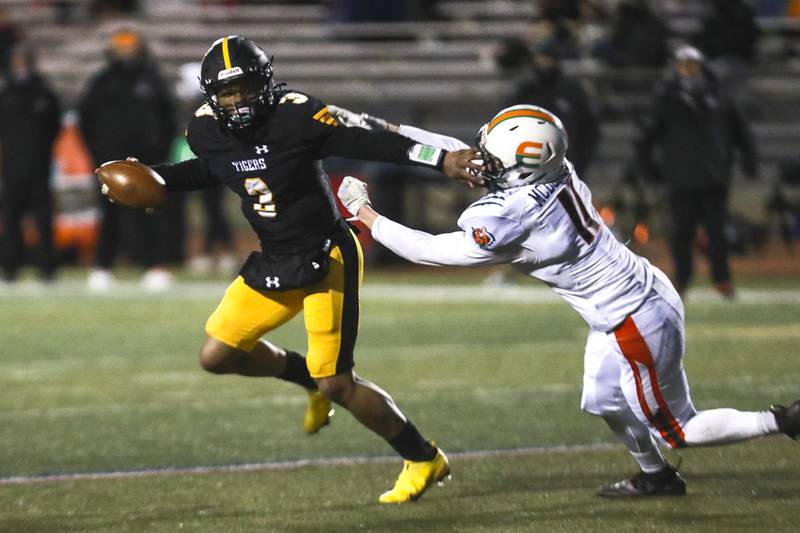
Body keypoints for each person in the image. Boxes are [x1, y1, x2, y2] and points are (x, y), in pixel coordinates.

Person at [337, 104, 800, 498]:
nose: (483, 162)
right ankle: (656, 477)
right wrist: (388, 130)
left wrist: (365, 214)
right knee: (602, 401)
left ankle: (782, 421)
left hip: (634, 318)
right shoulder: (552, 169)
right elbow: (460, 154)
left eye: (494, 159)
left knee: (677, 429)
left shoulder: (513, 214)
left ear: (521, 166)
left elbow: (431, 252)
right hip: (627, 301)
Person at [104, 35, 481, 503]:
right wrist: (157, 176)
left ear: (265, 84)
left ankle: (424, 457)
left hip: (326, 256)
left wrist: (440, 158)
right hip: (274, 257)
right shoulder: (205, 130)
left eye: (244, 89)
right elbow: (212, 170)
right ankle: (306, 381)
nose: (237, 102)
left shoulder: (296, 115)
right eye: (227, 93)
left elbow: (373, 143)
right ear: (210, 97)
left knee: (339, 382)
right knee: (217, 357)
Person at [636, 45, 758, 298]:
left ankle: (722, 279)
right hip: (681, 177)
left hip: (713, 177)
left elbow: (740, 132)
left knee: (717, 233)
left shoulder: (719, 96)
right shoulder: (667, 100)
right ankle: (682, 279)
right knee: (681, 233)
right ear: (677, 68)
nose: (689, 70)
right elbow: (647, 137)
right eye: (684, 65)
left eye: (692, 65)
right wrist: (648, 167)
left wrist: (748, 159)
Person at [78, 28, 178, 291]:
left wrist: (160, 155)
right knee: (108, 214)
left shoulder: (153, 79)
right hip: (110, 162)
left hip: (148, 162)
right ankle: (102, 267)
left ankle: (157, 266)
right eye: (120, 46)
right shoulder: (102, 81)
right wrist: (99, 155)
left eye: (130, 46)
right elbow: (85, 121)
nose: (125, 51)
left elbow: (169, 121)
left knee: (152, 211)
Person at [0, 43, 61, 283]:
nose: (20, 66)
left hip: (39, 165)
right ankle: (10, 267)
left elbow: (54, 127)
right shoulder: (6, 92)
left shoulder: (44, 93)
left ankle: (46, 268)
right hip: (12, 166)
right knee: (11, 218)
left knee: (43, 219)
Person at [511, 39, 600, 177]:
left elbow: (589, 128)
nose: (543, 63)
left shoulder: (572, 91)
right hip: (530, 162)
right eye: (540, 58)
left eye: (547, 58)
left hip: (567, 161)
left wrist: (582, 159)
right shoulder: (525, 92)